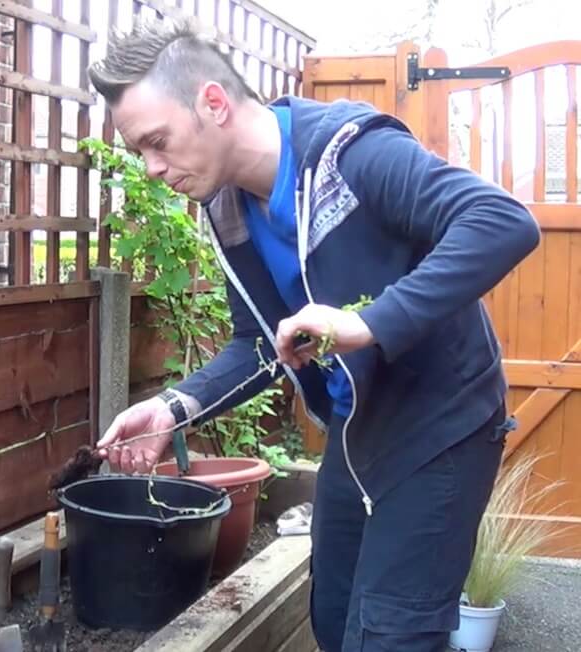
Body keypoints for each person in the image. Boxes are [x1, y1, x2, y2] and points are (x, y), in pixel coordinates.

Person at [86, 17, 540, 652]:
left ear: (212, 102)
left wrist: (366, 321)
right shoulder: (228, 209)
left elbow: (501, 221)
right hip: (357, 438)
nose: (153, 167)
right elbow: (261, 346)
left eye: (157, 141)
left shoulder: (350, 154)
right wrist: (172, 408)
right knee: (332, 618)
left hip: (442, 427)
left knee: (391, 638)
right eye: (140, 151)